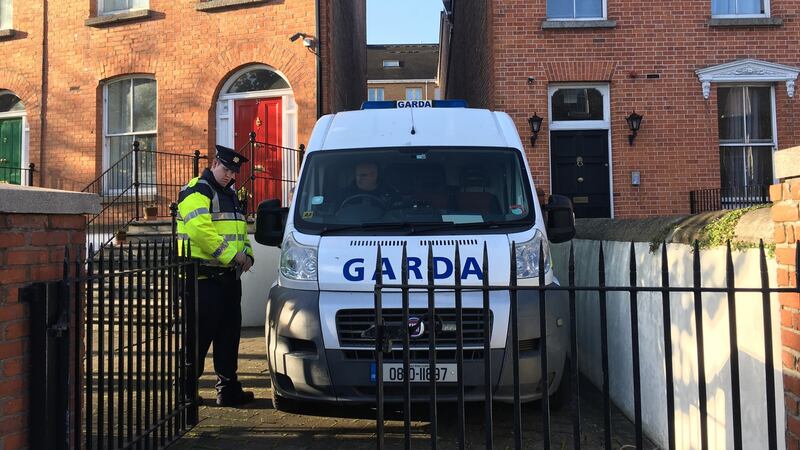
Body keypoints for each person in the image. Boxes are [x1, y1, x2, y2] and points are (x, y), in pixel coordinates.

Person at [177, 144, 255, 407]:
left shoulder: (230, 194)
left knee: (229, 337)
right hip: (203, 279)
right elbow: (199, 229)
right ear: (213, 164)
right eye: (226, 169)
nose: (230, 175)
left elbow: (240, 233)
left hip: (229, 280)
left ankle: (228, 389)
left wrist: (248, 254)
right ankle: (186, 392)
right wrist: (232, 255)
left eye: (234, 172)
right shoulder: (197, 189)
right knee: (197, 338)